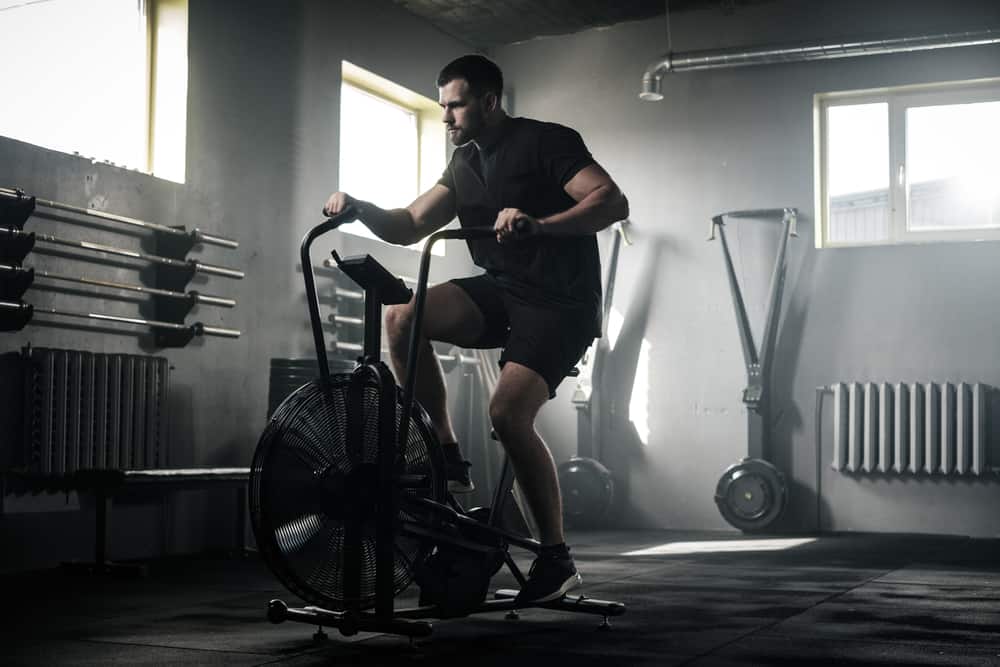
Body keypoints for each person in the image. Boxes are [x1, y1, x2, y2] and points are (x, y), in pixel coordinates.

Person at [323, 54, 628, 604]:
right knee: (402, 315)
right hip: (505, 291)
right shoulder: (463, 161)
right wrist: (359, 208)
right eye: (441, 106)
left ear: (489, 101)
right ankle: (446, 454)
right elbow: (411, 223)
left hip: (561, 304)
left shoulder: (546, 142)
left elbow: (611, 200)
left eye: (455, 105)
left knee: (507, 413)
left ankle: (556, 560)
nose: (445, 118)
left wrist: (541, 224)